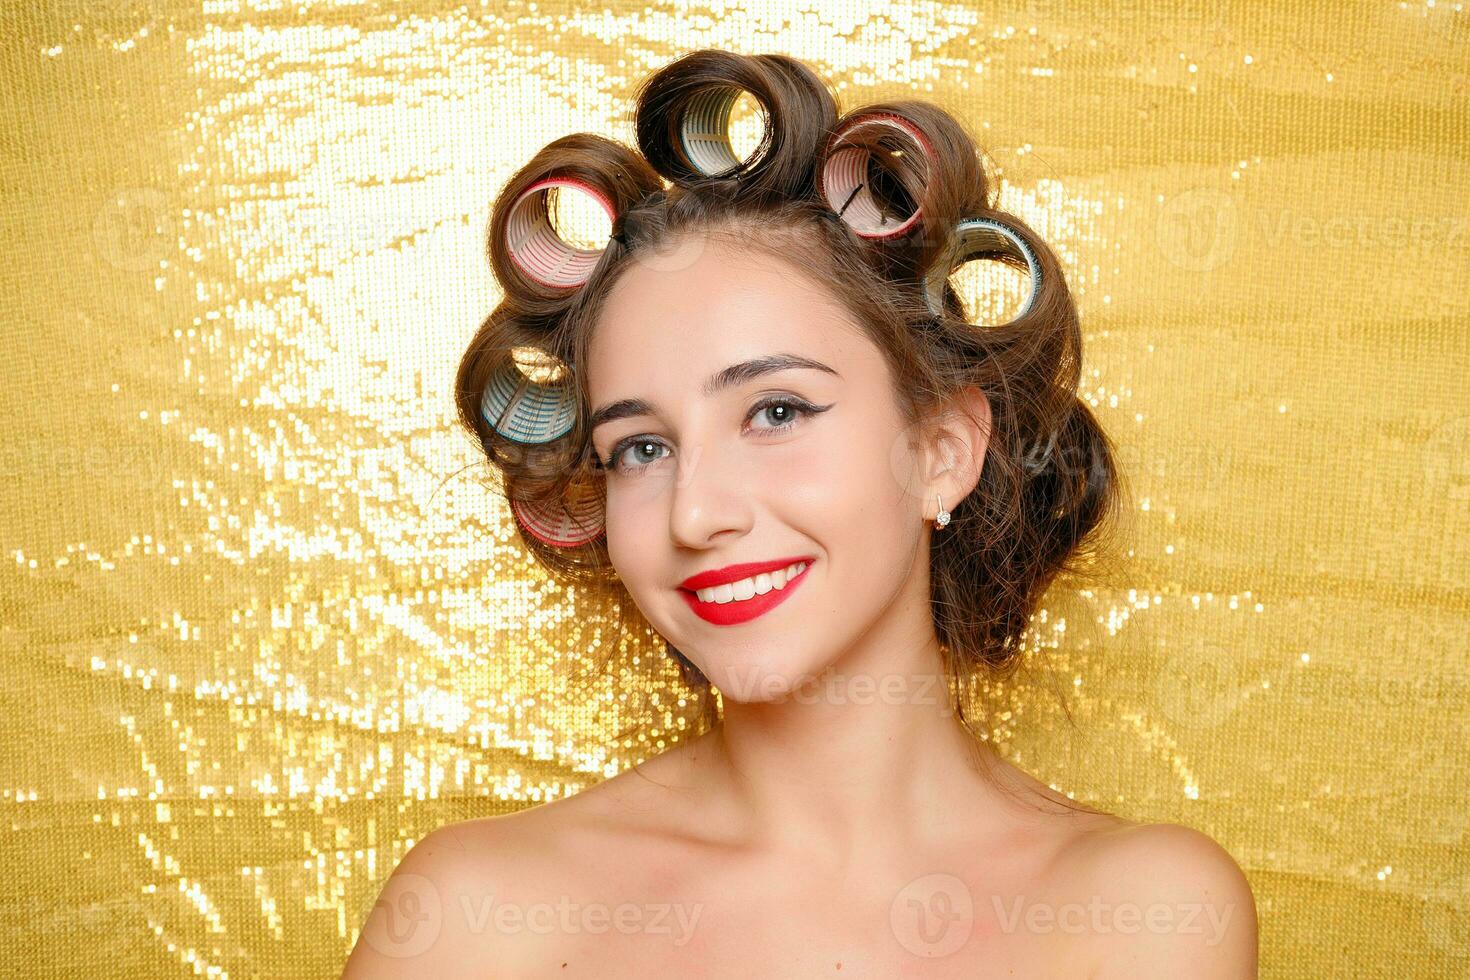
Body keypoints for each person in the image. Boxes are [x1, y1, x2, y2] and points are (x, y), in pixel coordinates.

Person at [343, 48, 1257, 978]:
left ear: (942, 452)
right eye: (641, 450)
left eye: (776, 412)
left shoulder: (1143, 913)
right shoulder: (476, 918)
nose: (695, 513)